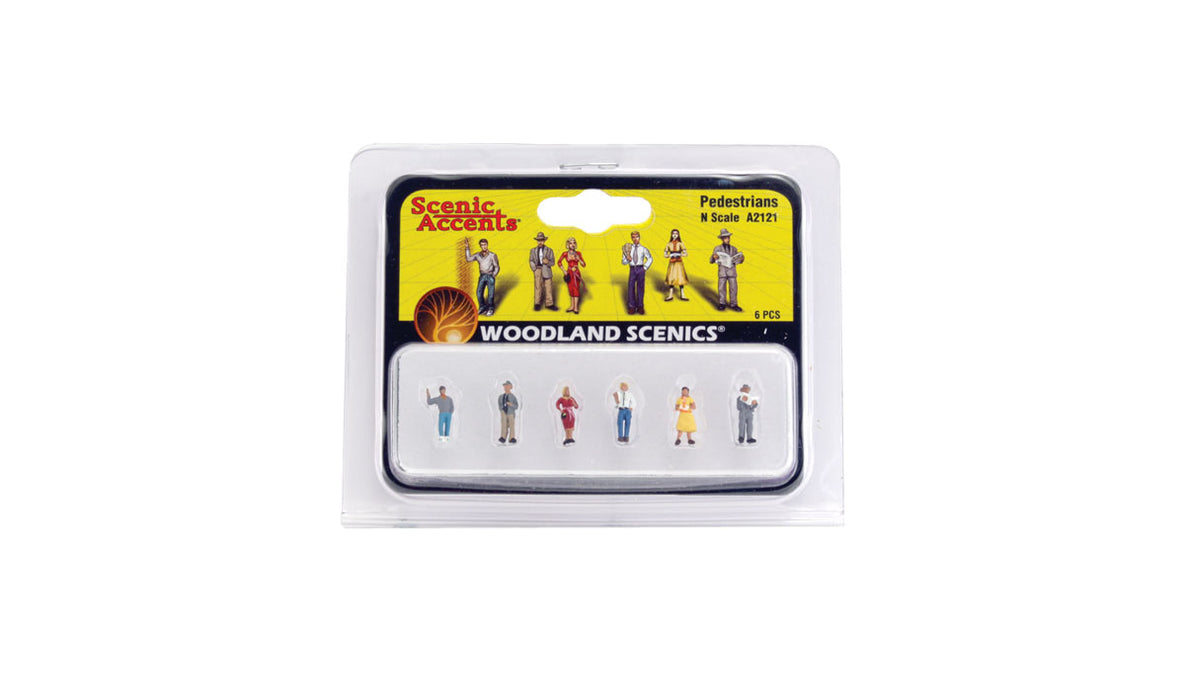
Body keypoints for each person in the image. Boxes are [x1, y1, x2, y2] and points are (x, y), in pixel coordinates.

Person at [709, 228, 745, 311]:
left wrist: (741, 259)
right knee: (721, 288)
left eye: (728, 237)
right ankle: (722, 304)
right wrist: (714, 257)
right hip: (722, 272)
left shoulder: (734, 249)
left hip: (732, 272)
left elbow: (737, 261)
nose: (728, 239)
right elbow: (711, 261)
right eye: (725, 238)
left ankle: (734, 304)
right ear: (722, 239)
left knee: (734, 288)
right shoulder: (717, 248)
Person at [464, 237, 500, 316]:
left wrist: (493, 275)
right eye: (482, 245)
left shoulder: (492, 255)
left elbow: (497, 266)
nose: (484, 246)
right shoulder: (478, 255)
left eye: (485, 244)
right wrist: (467, 248)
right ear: (480, 246)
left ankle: (490, 308)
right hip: (482, 276)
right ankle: (482, 307)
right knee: (479, 292)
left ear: (487, 245)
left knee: (490, 294)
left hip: (490, 275)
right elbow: (468, 259)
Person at [620, 230, 652, 315]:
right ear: (631, 238)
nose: (635, 239)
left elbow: (650, 258)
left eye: (637, 237)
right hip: (632, 269)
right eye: (633, 237)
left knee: (640, 288)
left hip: (640, 268)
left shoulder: (643, 249)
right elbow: (623, 262)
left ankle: (640, 306)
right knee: (631, 287)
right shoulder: (628, 248)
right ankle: (632, 307)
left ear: (639, 237)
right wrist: (628, 259)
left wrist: (645, 267)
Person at [528, 232, 557, 311]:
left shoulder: (549, 250)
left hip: (546, 269)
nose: (540, 242)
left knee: (548, 287)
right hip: (537, 269)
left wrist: (548, 262)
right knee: (537, 286)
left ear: (544, 241)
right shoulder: (533, 250)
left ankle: (549, 304)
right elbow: (531, 260)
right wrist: (534, 269)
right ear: (537, 241)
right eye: (538, 240)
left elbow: (553, 262)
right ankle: (537, 303)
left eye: (541, 240)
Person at [557, 236, 587, 314]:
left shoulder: (578, 253)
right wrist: (564, 271)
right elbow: (559, 262)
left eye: (574, 243)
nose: (572, 245)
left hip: (576, 273)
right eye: (570, 243)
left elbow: (584, 265)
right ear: (568, 245)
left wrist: (579, 259)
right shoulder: (565, 253)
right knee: (570, 289)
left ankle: (576, 307)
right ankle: (572, 306)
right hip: (569, 273)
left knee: (576, 289)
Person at [663, 229, 689, 301]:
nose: (675, 235)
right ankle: (670, 295)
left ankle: (682, 294)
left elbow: (686, 253)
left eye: (676, 234)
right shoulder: (668, 244)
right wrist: (669, 255)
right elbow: (665, 254)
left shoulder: (681, 244)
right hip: (672, 263)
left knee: (680, 277)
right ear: (671, 235)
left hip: (679, 263)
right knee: (671, 278)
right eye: (673, 233)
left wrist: (680, 254)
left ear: (678, 235)